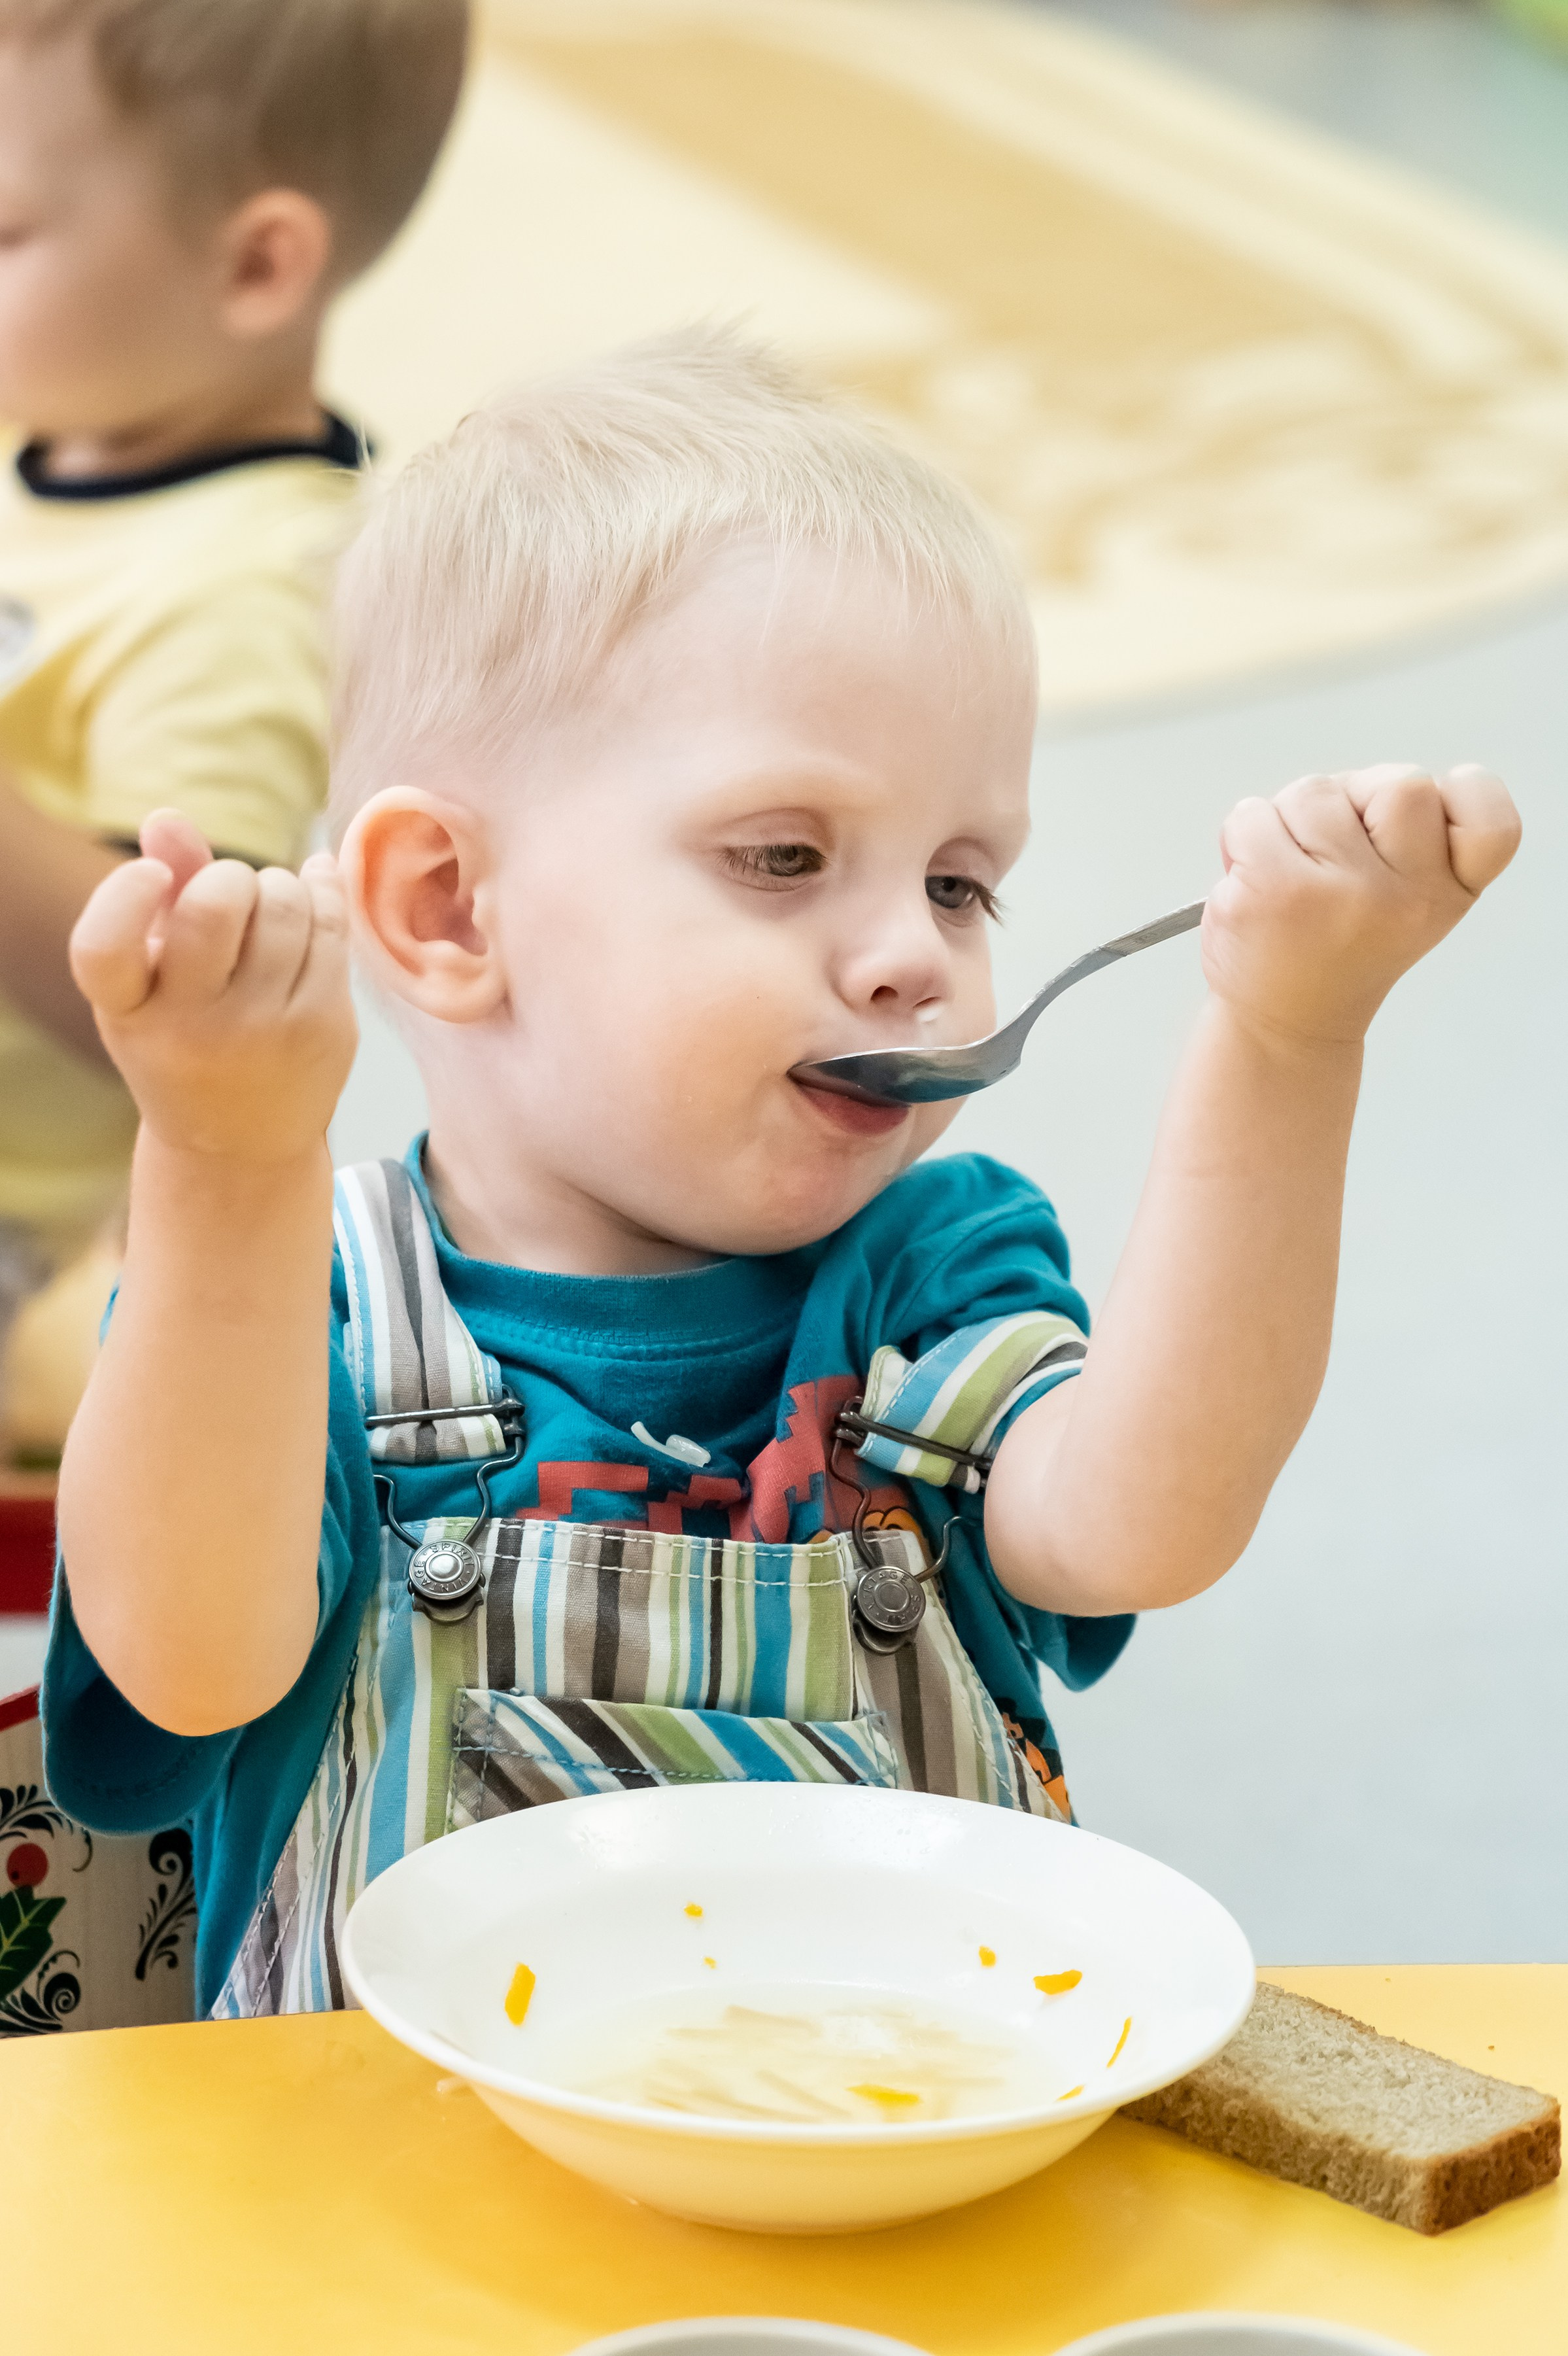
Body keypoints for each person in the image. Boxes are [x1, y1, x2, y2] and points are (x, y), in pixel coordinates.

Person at [44, 332, 1520, 2019]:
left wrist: (1287, 1039)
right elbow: (187, 1659)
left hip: (897, 2179)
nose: (910, 954)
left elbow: (1138, 1520)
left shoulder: (927, 1270)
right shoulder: (285, 1297)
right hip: (395, 2230)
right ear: (448, 908)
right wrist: (227, 1161)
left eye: (962, 884)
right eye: (785, 858)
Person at [0, 0, 468, 1398]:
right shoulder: (77, 411)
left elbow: (175, 996)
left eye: (4, 232)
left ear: (257, 266)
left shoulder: (254, 591)